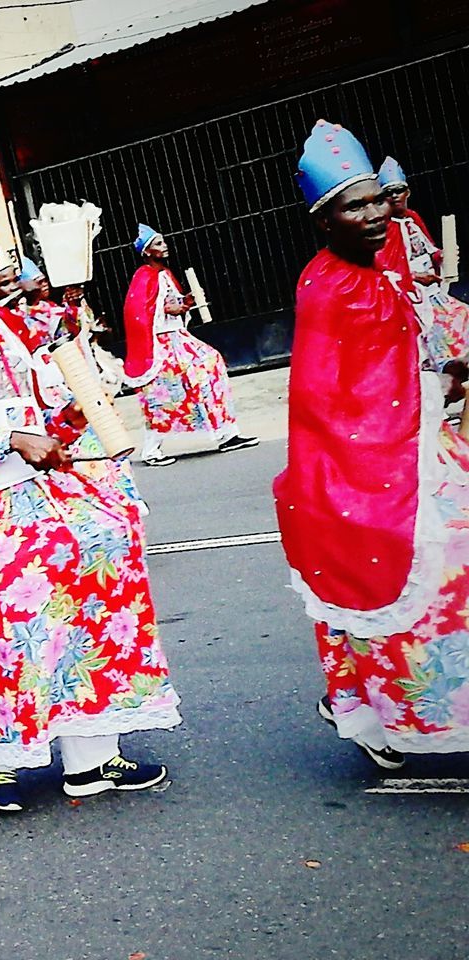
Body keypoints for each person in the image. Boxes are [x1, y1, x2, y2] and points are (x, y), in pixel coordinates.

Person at [0, 175, 179, 812]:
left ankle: (91, 755)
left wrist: (69, 416)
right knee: (2, 616)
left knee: (101, 558)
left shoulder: (8, 324)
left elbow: (42, 400)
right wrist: (15, 437)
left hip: (36, 486)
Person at [276, 120, 469, 769]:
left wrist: (443, 376)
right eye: (351, 205)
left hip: (410, 444)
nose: (373, 214)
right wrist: (436, 391)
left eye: (375, 198)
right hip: (361, 470)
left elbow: (394, 369)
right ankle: (396, 707)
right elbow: (335, 406)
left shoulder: (382, 269)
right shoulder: (324, 288)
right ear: (323, 221)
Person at [122, 224, 258, 466]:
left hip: (179, 340)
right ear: (147, 252)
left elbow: (170, 305)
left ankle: (226, 434)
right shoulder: (144, 276)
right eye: (158, 244)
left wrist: (185, 304)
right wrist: (174, 308)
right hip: (161, 345)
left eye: (164, 242)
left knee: (211, 365)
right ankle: (151, 450)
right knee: (162, 394)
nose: (165, 246)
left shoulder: (165, 274)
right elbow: (147, 310)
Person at [377, 156, 469, 370]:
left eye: (398, 190)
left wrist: (443, 255)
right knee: (431, 328)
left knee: (460, 315)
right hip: (410, 294)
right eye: (388, 193)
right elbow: (385, 270)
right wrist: (417, 278)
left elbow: (428, 249)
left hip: (432, 288)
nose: (394, 196)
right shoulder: (384, 228)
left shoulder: (413, 218)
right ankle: (443, 369)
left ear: (407, 192)